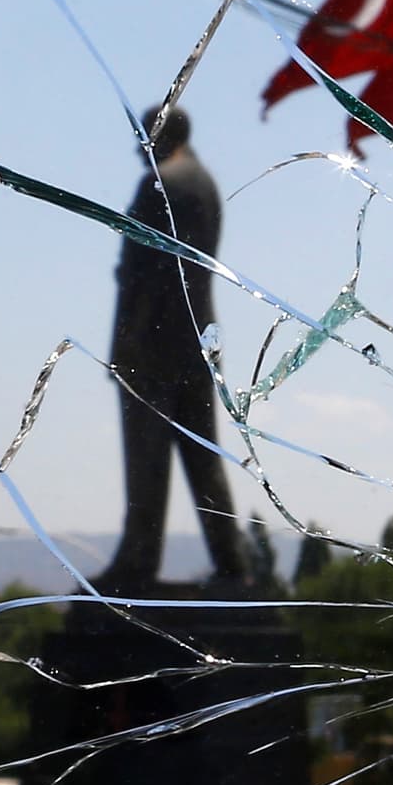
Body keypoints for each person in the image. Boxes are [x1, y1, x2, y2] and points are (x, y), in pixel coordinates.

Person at [97, 100, 251, 590]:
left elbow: (146, 273)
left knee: (147, 460)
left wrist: (129, 343)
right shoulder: (204, 183)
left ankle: (138, 561)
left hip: (153, 341)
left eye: (145, 135)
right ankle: (232, 564)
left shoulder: (160, 183)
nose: (139, 148)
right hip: (198, 338)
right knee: (202, 456)